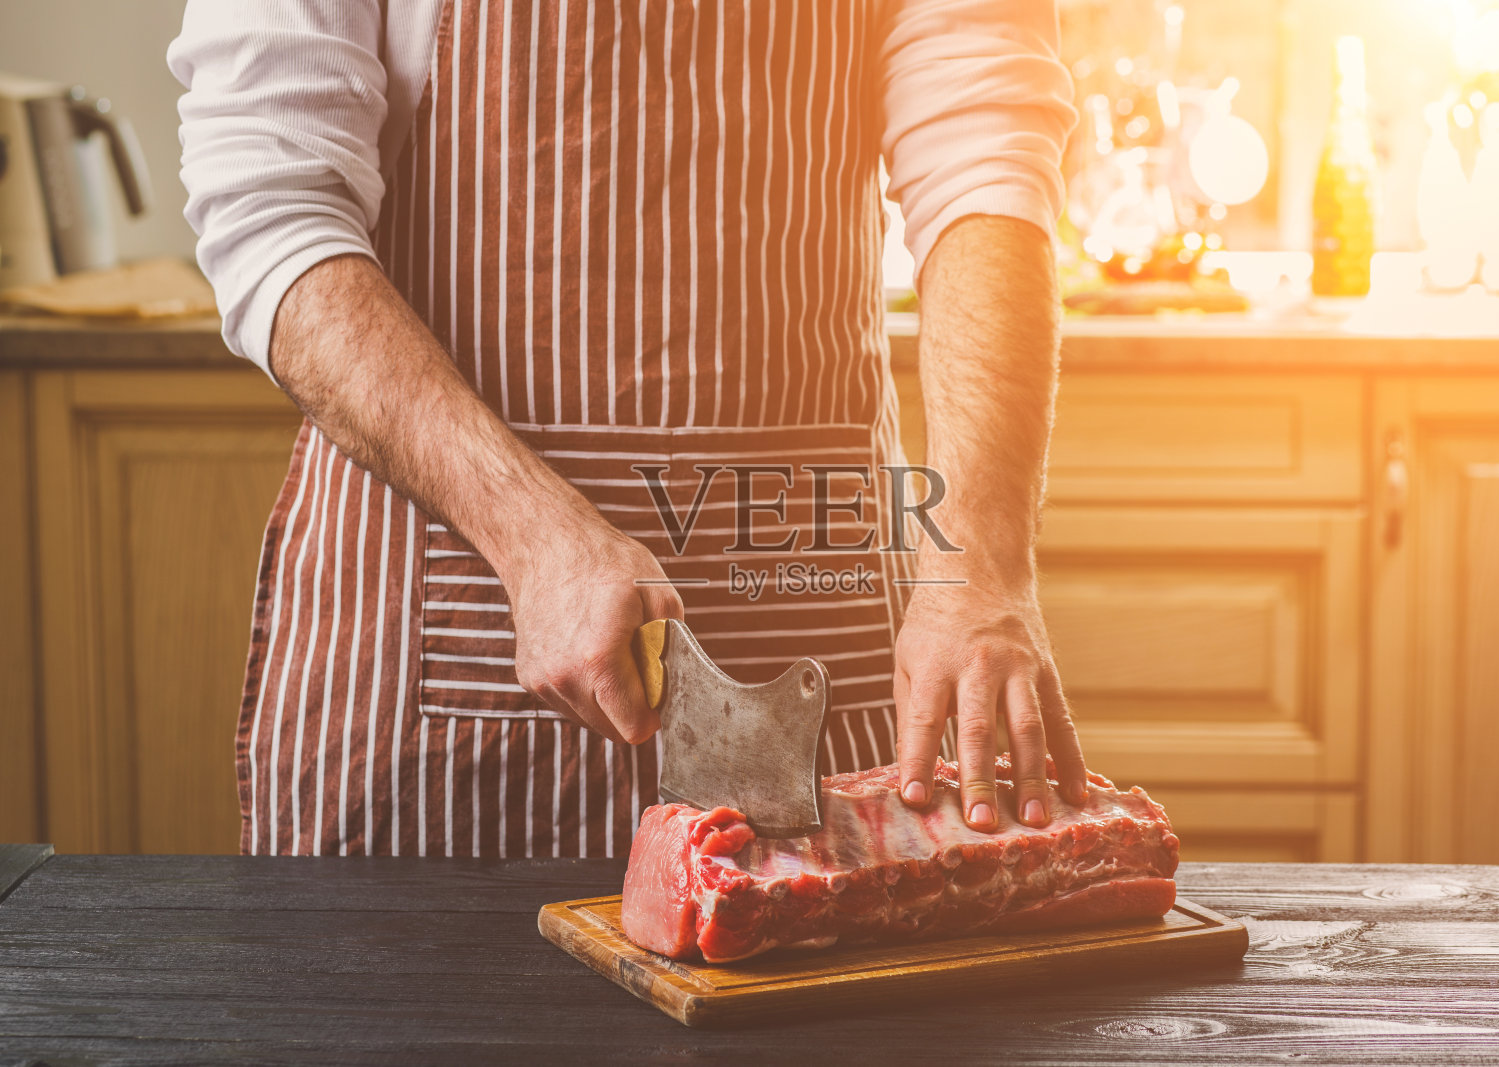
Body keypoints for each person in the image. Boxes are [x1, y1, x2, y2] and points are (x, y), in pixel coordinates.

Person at [169, 0, 1088, 859]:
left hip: (812, 622)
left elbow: (984, 149)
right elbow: (272, 201)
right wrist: (532, 537)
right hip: (435, 646)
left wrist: (978, 560)